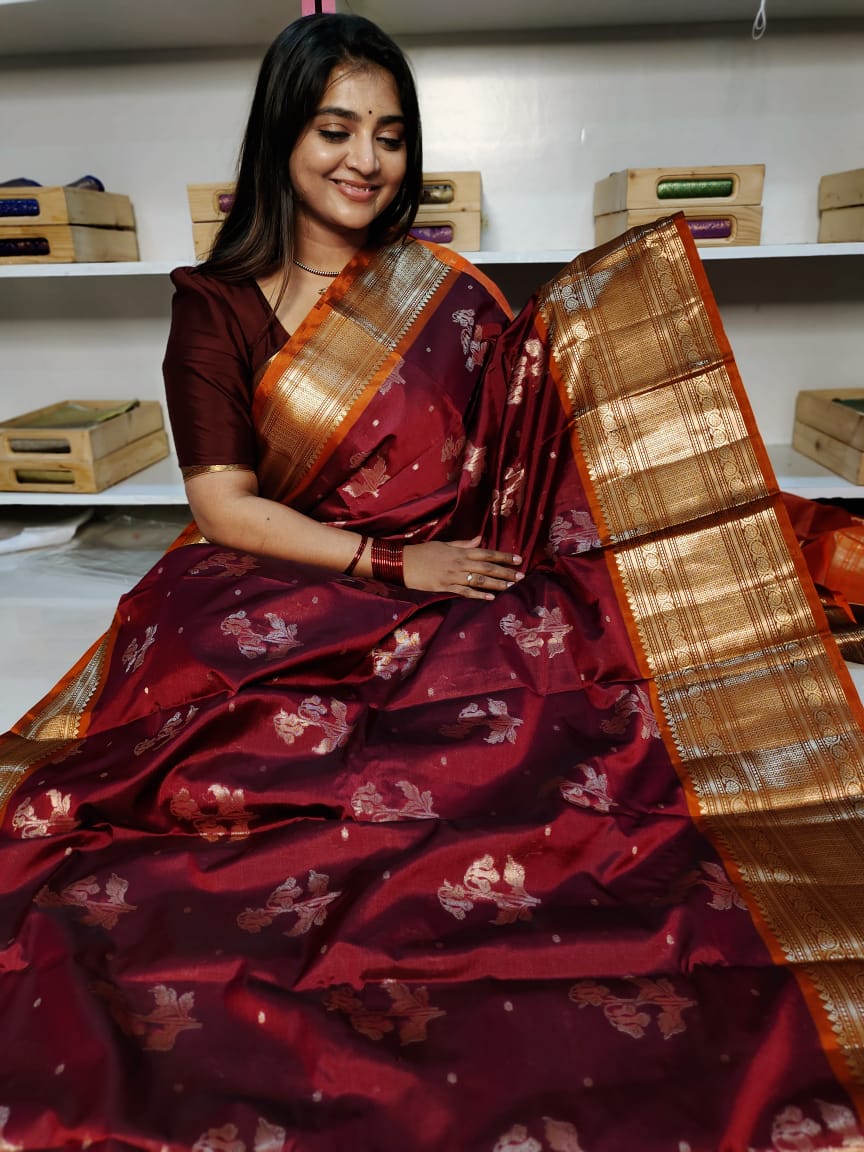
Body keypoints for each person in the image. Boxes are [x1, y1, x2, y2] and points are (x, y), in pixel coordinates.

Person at [2, 13, 864, 1152]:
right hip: (293, 567)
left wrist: (595, 335)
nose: (365, 160)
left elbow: (516, 420)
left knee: (558, 681)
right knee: (234, 750)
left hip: (449, 551)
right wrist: (392, 562)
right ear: (282, 137)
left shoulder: (436, 288)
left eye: (391, 134)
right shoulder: (215, 302)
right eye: (335, 129)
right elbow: (222, 506)